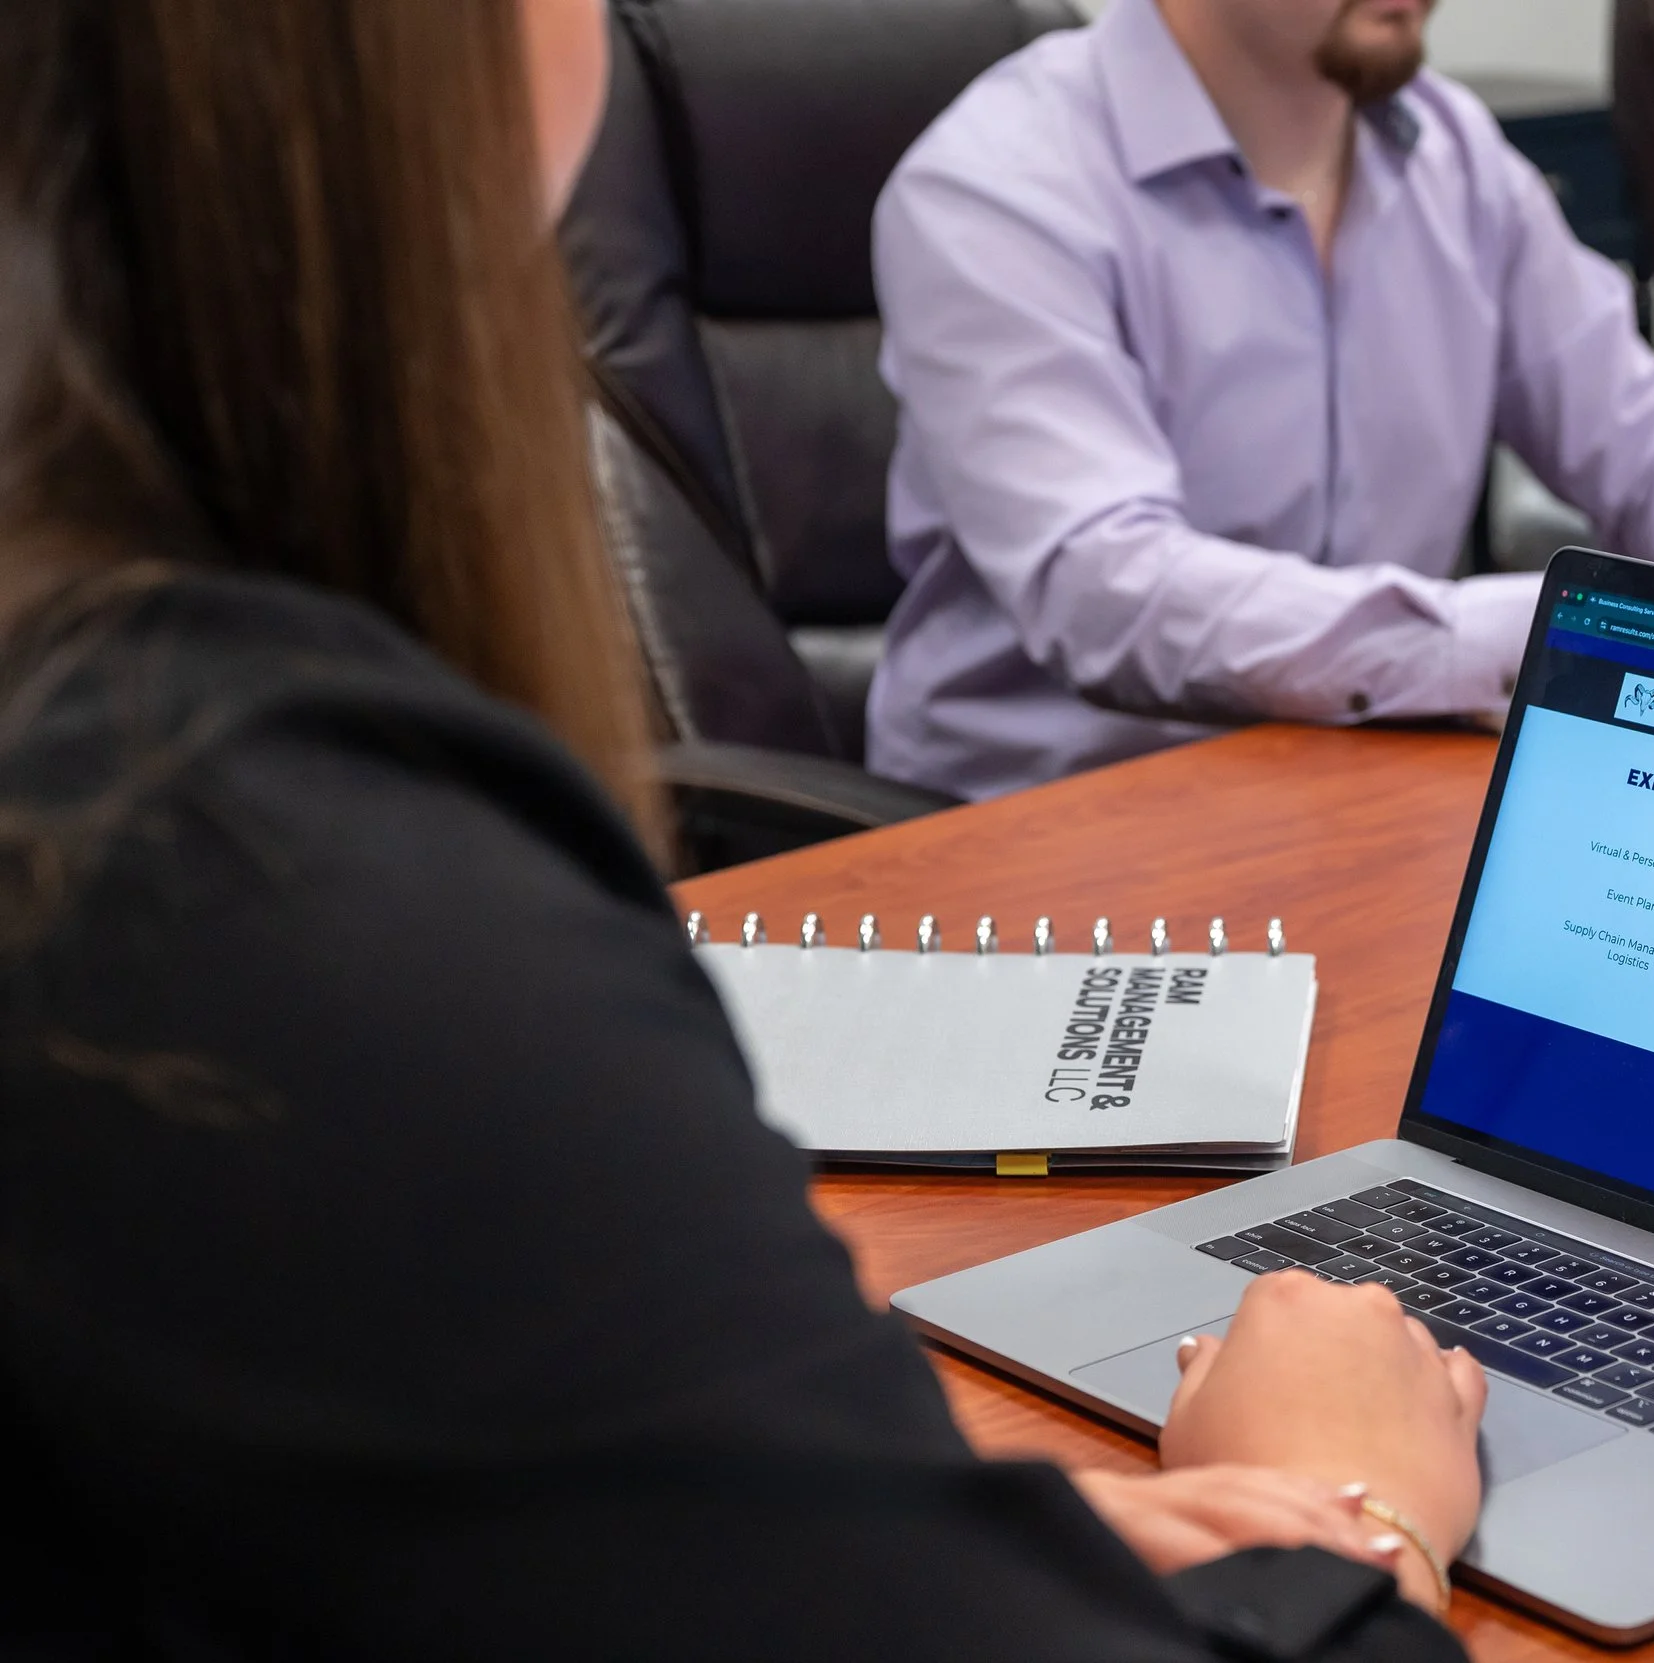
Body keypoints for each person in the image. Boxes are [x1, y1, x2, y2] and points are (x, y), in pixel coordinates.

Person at [0, 1, 1486, 1655]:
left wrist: (875, 1526)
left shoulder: (125, 759)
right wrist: (1356, 1514)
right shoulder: (276, 902)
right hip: (1036, 849)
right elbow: (1106, 580)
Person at [867, 0, 1654, 801]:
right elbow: (1109, 587)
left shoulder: (1452, 155)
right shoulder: (996, 186)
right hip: (1037, 836)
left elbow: (1646, 435)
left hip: (1359, 787)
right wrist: (1543, 628)